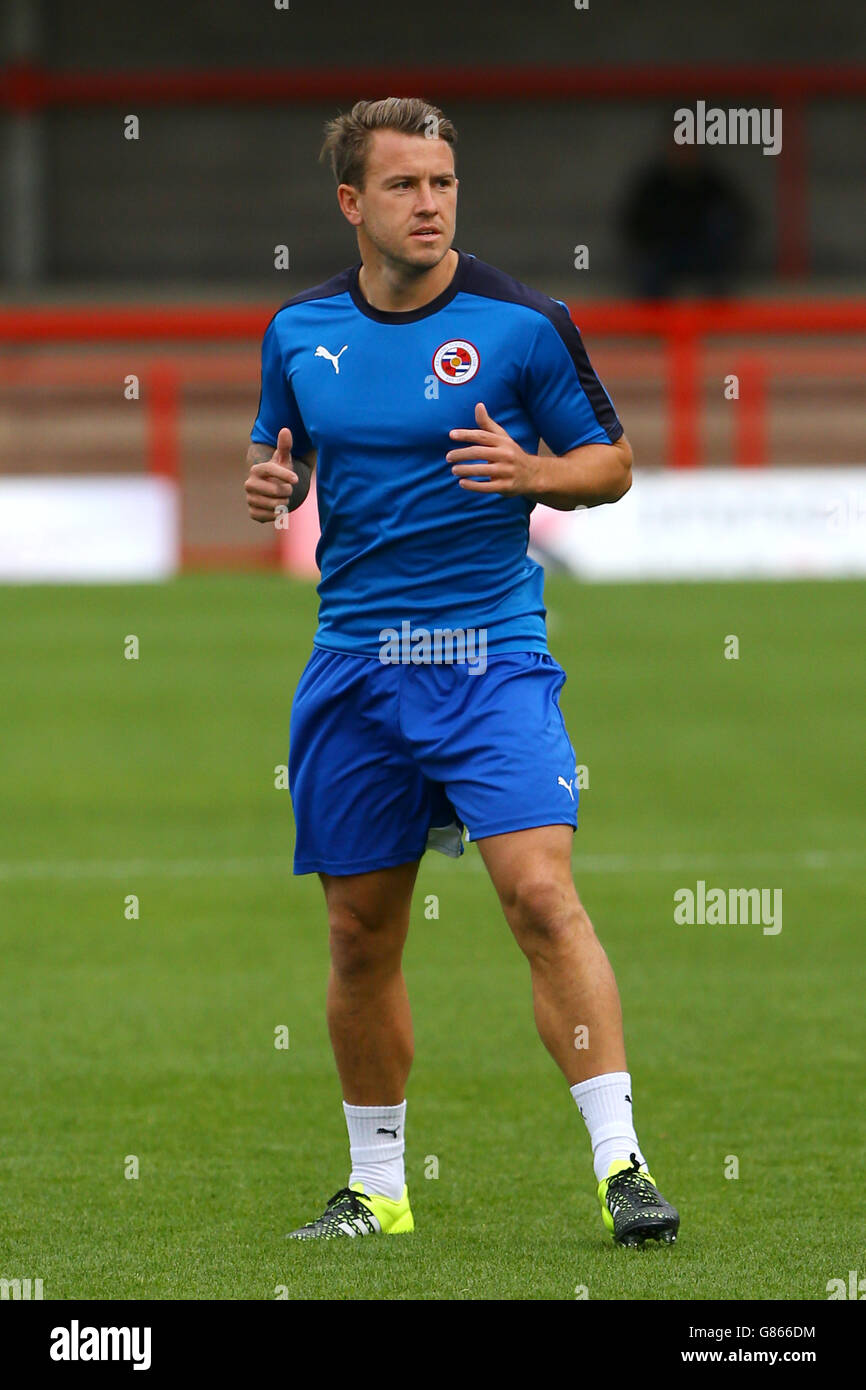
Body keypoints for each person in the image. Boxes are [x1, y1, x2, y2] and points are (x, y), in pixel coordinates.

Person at [244, 96, 679, 1248]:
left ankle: (621, 1164)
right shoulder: (296, 331)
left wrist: (536, 471)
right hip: (356, 669)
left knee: (540, 897)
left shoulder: (524, 324)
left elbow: (613, 463)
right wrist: (273, 488)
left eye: (441, 183)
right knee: (357, 937)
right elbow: (277, 450)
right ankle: (376, 1188)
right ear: (351, 203)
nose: (429, 203)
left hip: (490, 658)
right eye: (402, 185)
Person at [620, 138, 752, 299]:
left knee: (720, 279)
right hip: (664, 253)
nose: (684, 150)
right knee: (649, 275)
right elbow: (633, 223)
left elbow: (740, 218)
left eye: (689, 145)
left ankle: (717, 320)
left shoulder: (713, 183)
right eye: (679, 145)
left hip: (704, 254)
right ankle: (654, 323)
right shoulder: (653, 185)